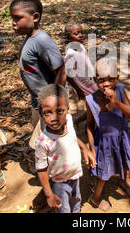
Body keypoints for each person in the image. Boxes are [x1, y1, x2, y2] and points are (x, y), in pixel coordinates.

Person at [10, 0, 66, 149]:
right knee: (42, 136)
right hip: (39, 100)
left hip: (50, 102)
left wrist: (55, 100)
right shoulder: (30, 37)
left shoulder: (42, 40)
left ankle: (57, 169)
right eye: (12, 19)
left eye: (17, 18)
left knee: (52, 140)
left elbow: (61, 70)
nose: (13, 23)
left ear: (35, 17)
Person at [86, 58, 130, 212]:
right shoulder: (90, 100)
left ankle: (123, 181)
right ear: (94, 80)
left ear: (118, 78)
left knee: (124, 161)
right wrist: (91, 150)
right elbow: (89, 125)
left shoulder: (120, 91)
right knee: (103, 172)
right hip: (104, 143)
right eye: (101, 80)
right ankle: (95, 198)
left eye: (111, 79)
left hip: (121, 137)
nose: (106, 84)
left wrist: (116, 103)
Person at [35, 84, 96, 213]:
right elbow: (41, 169)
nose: (54, 118)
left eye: (59, 111)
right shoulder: (43, 142)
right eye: (48, 112)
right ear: (41, 113)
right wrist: (48, 194)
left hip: (75, 176)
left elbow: (72, 137)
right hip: (59, 183)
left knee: (76, 201)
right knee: (64, 209)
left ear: (67, 109)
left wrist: (85, 148)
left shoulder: (68, 120)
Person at [64, 22, 98, 126]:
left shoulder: (81, 46)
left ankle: (79, 121)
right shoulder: (70, 54)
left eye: (82, 32)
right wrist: (78, 90)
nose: (81, 35)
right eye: (76, 33)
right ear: (69, 36)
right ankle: (88, 127)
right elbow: (67, 75)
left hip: (91, 81)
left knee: (95, 106)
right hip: (84, 86)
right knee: (95, 107)